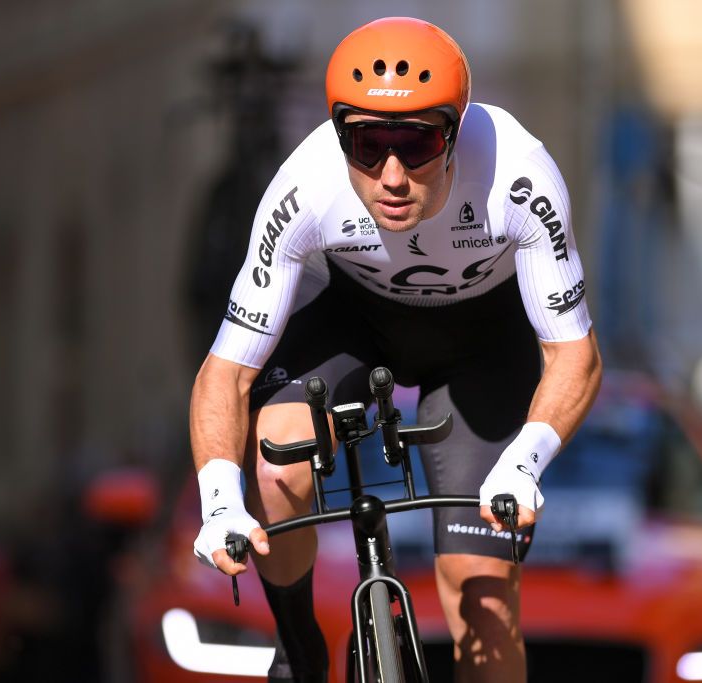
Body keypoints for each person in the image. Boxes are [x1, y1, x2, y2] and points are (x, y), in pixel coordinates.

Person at [189, 16, 602, 683]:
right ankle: (299, 646)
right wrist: (218, 500)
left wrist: (525, 461)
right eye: (365, 143)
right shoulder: (304, 189)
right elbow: (224, 374)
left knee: (484, 596)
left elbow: (576, 355)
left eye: (415, 144)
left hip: (481, 343)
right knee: (275, 465)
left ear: (456, 133)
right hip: (354, 322)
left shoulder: (519, 177)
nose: (390, 173)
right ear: (337, 135)